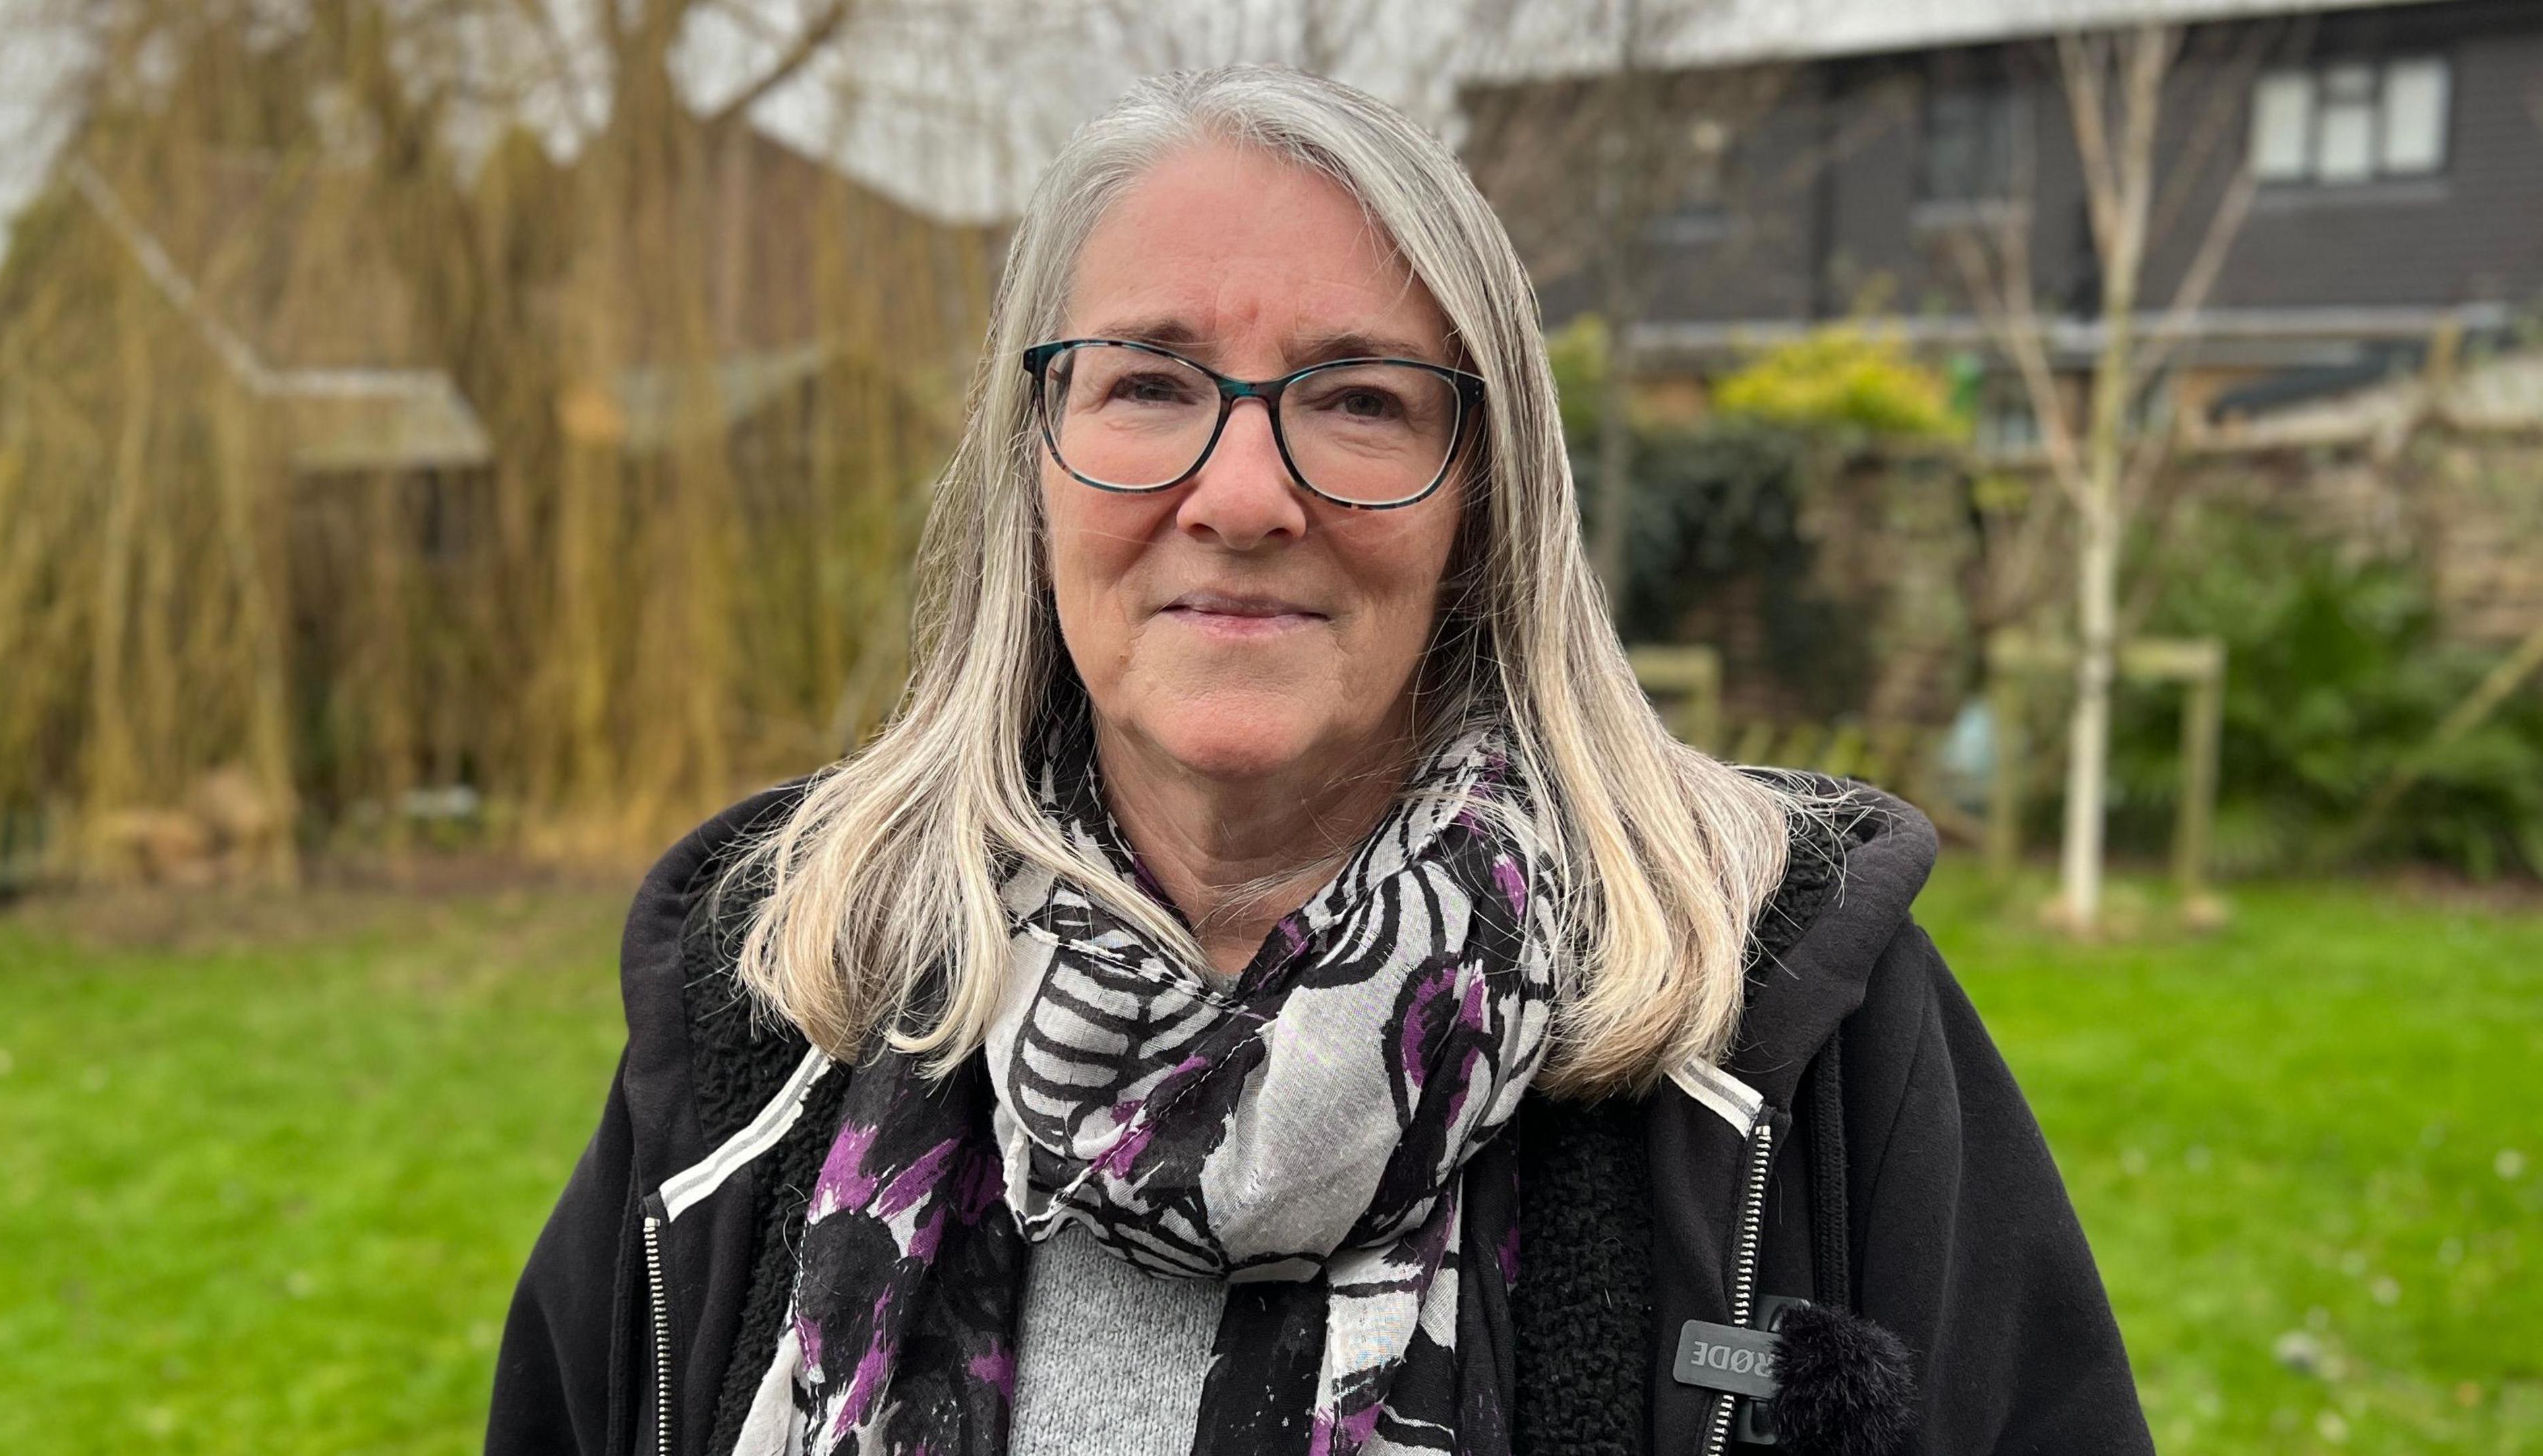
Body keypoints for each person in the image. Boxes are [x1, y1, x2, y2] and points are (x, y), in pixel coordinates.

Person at [486, 65, 2153, 1456]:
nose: (1241, 495)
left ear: (1482, 497)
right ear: (1036, 463)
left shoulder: (1782, 1015)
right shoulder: (778, 991)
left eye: (1356, 401)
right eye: (1149, 383)